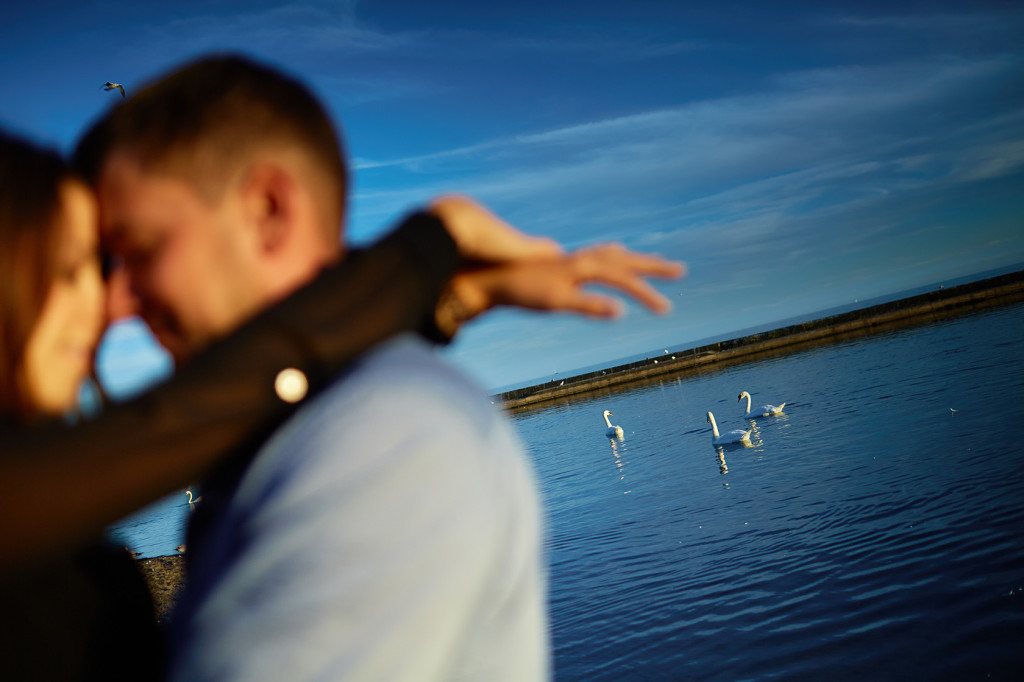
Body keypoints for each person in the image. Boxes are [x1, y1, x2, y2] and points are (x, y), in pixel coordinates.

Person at [83, 53, 682, 681]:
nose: (117, 304)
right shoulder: (294, 429)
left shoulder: (385, 435)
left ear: (267, 210)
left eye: (141, 248)